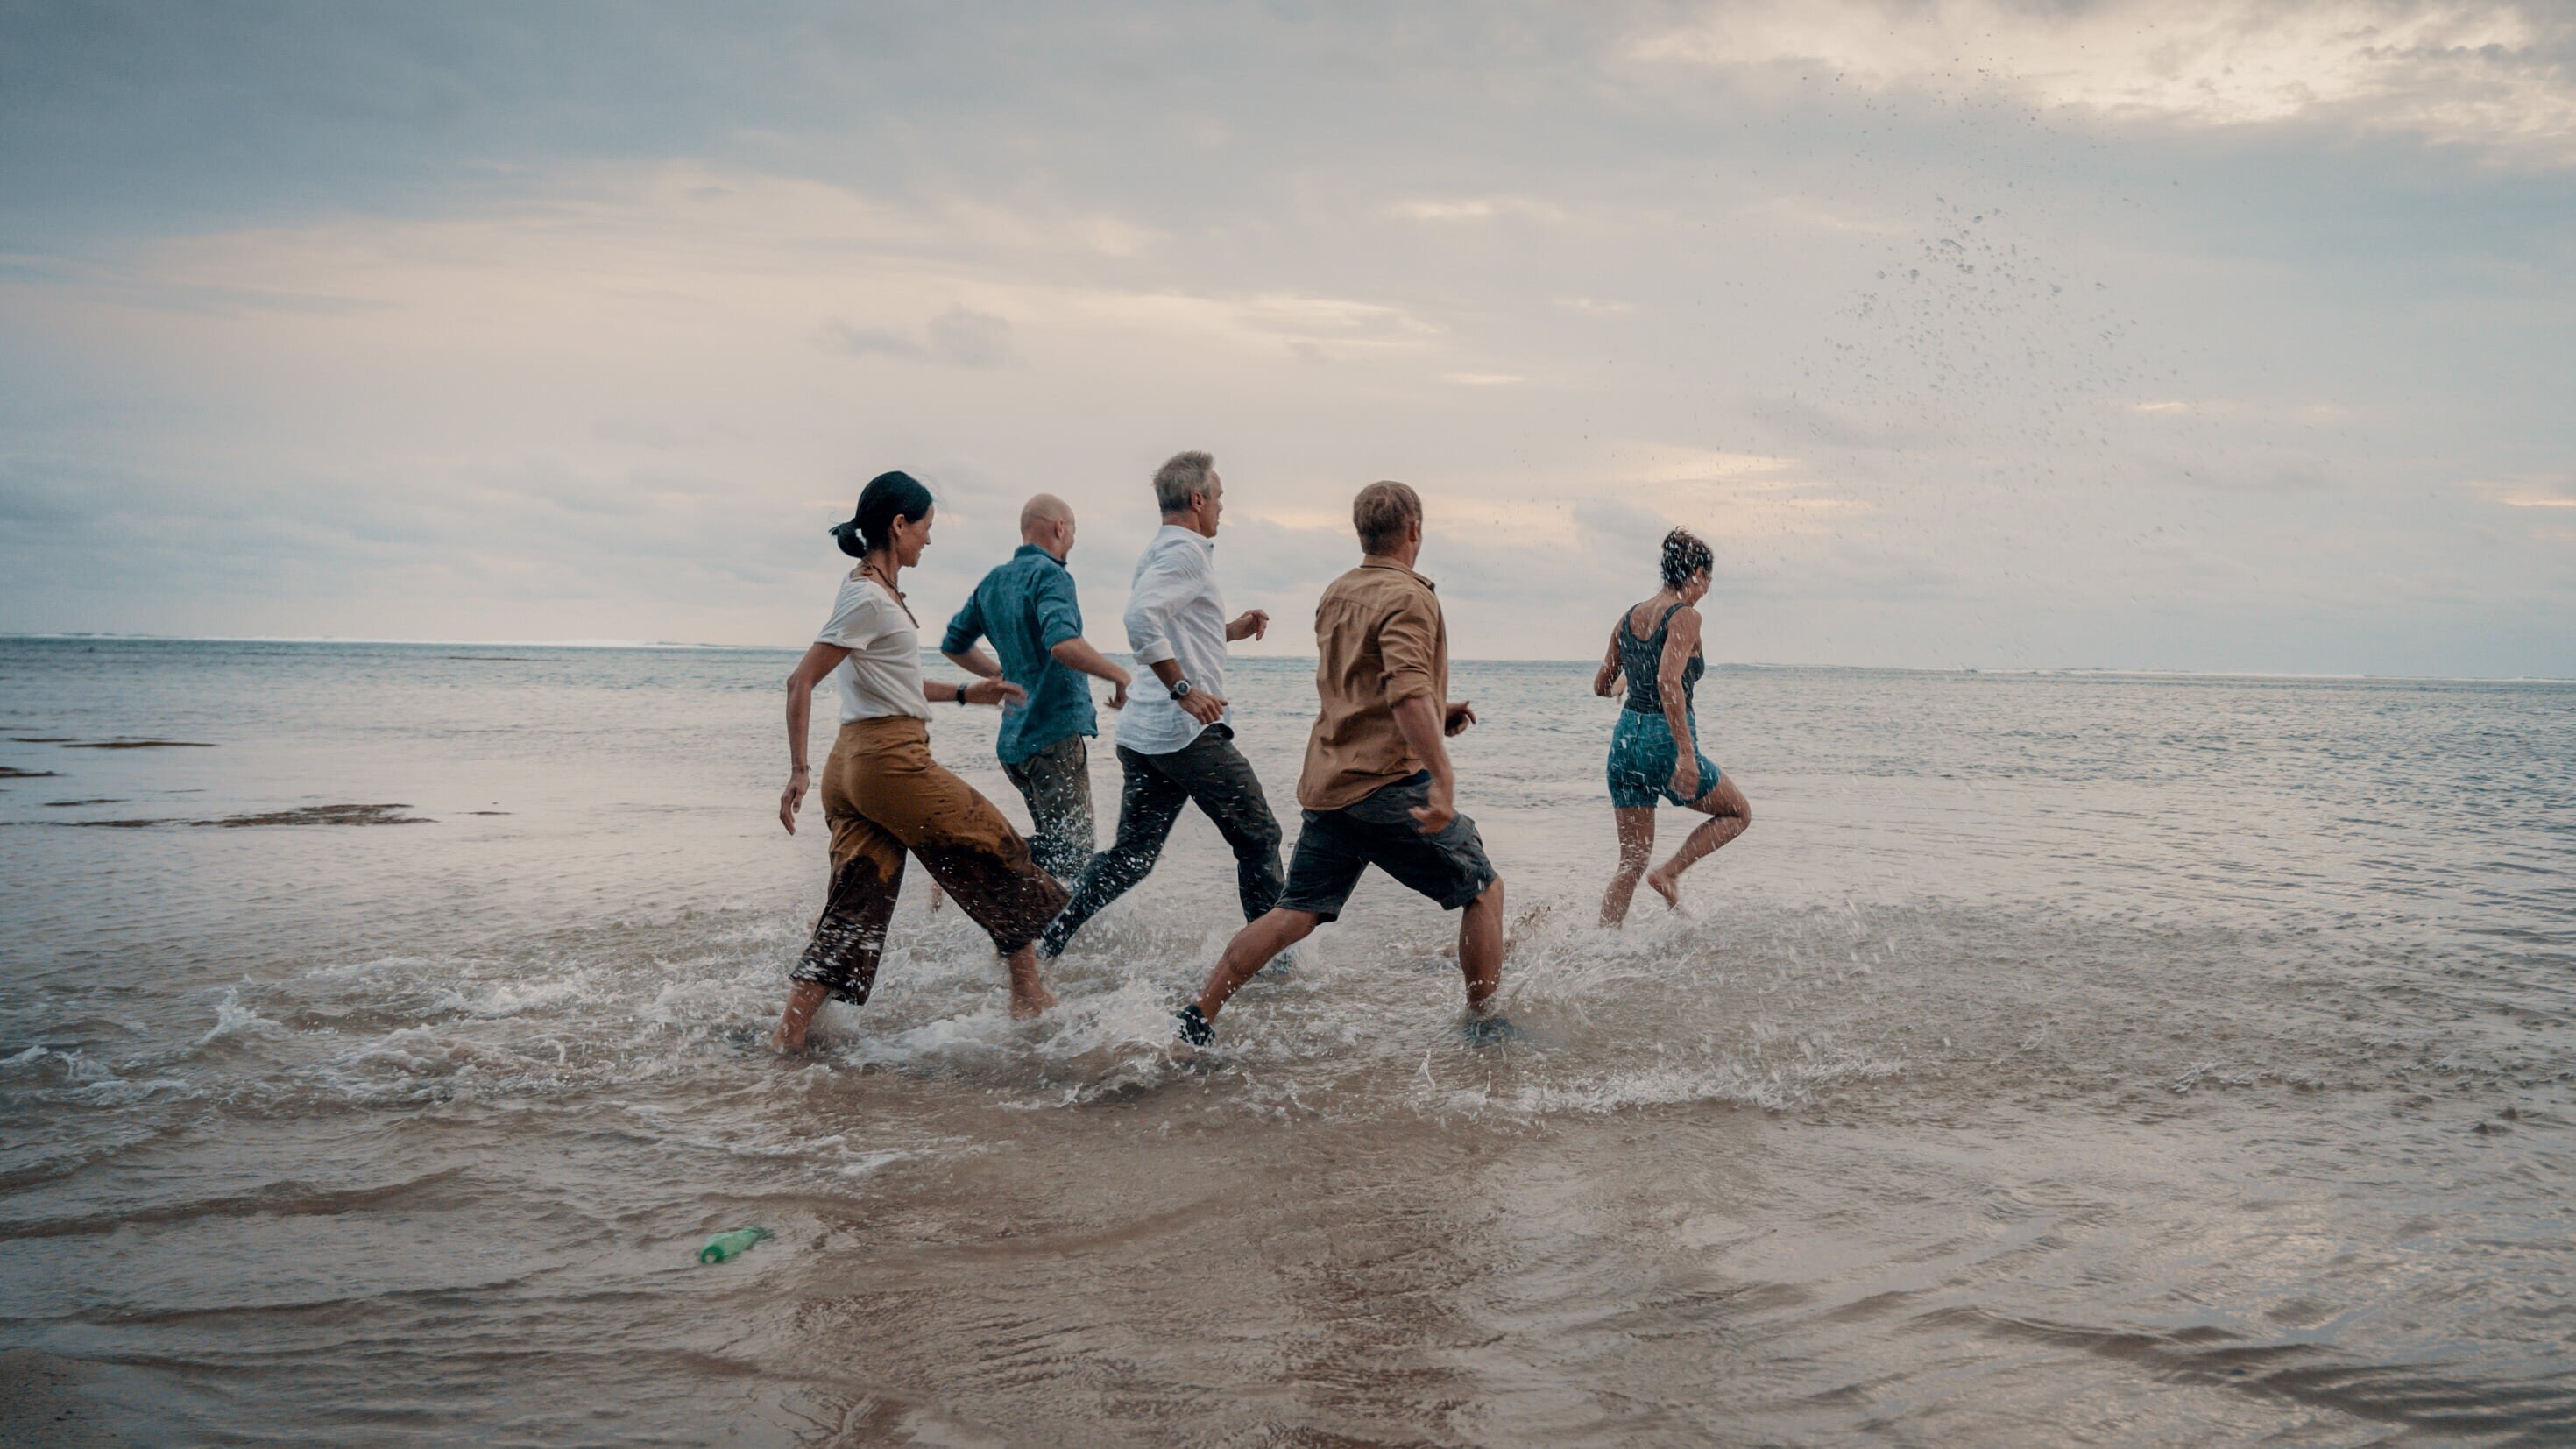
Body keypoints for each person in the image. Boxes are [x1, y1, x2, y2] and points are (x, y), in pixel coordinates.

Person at [1176, 481, 1507, 1048]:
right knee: (1483, 891)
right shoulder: (1410, 597)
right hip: (1387, 786)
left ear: (1362, 533)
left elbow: (1362, 684)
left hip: (1330, 784)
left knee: (1293, 914)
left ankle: (1199, 1015)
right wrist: (1443, 776)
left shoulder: (1336, 593)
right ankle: (1484, 1025)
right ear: (1414, 532)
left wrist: (1436, 709)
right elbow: (1402, 692)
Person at [770, 470, 1072, 1053]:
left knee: (858, 898)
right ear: (899, 525)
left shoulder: (870, 591)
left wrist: (965, 693)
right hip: (887, 763)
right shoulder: (865, 596)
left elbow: (894, 684)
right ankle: (1027, 994)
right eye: (926, 527)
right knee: (997, 843)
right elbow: (800, 681)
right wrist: (797, 772)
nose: (929, 540)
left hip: (857, 765)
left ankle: (789, 1035)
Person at [1037, 451, 1285, 959]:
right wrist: (1183, 690)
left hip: (1146, 736)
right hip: (1186, 733)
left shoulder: (1160, 550)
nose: (1221, 509)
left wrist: (1230, 631)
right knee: (1260, 837)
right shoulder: (1185, 552)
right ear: (1197, 500)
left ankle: (1048, 940)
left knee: (1132, 857)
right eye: (1218, 498)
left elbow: (1173, 626)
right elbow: (1139, 619)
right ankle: (1270, 961)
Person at [939, 494, 1132, 883]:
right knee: (1073, 855)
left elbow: (953, 644)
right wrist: (1120, 675)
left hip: (1015, 745)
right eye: (1073, 529)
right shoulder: (1052, 575)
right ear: (1060, 527)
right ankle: (973, 853)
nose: (1073, 539)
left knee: (1055, 853)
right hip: (1053, 736)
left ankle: (1036, 934)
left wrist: (1001, 674)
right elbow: (1061, 643)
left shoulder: (995, 580)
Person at [1594, 527, 1752, 925]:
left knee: (1630, 861)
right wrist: (1685, 754)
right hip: (1662, 743)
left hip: (1625, 743)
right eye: (1708, 579)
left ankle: (1601, 944)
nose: (1707, 589)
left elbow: (1601, 685)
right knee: (1738, 813)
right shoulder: (1685, 617)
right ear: (1697, 572)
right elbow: (1668, 681)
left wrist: (1629, 679)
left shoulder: (1629, 617)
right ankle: (1669, 873)